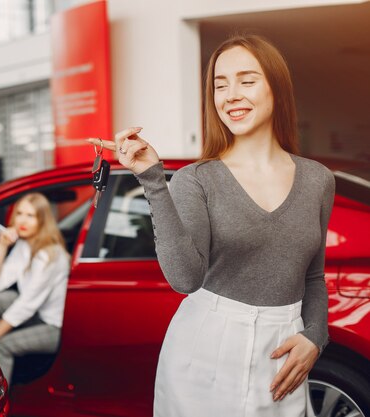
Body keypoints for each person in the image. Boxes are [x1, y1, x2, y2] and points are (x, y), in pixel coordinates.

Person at [89, 34, 335, 416]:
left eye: (246, 80)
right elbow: (185, 279)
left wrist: (315, 337)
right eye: (220, 85)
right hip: (205, 350)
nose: (231, 94)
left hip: (282, 353)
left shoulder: (318, 180)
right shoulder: (196, 179)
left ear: (277, 88)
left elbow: (314, 278)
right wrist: (153, 179)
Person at [0, 192, 70, 383]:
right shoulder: (24, 245)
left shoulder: (49, 255)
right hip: (37, 315)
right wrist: (2, 246)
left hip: (55, 327)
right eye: (19, 213)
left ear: (43, 220)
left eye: (31, 216)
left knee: (1, 344)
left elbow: (26, 305)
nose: (22, 220)